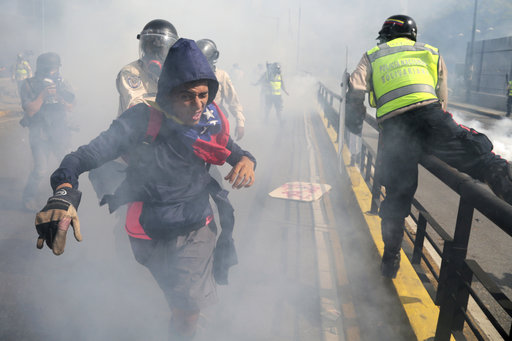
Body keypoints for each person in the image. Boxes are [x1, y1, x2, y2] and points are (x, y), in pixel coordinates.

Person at [33, 39, 256, 340]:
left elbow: (236, 151)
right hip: (145, 231)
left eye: (204, 95)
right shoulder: (142, 119)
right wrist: (63, 192)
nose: (198, 105)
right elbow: (83, 156)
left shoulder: (209, 122)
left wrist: (246, 162)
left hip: (194, 227)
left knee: (187, 310)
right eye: (187, 96)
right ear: (167, 94)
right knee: (169, 296)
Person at [345, 14, 512, 279]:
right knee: (480, 156)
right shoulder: (430, 52)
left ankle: (390, 259)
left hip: (395, 129)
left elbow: (355, 90)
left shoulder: (373, 55)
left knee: (397, 198)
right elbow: (442, 96)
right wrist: (435, 138)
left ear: (386, 34)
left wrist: (353, 125)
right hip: (432, 120)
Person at [89, 19, 179, 200]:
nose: (156, 53)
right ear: (143, 47)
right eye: (151, 46)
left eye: (161, 49)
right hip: (134, 145)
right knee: (128, 201)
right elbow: (138, 106)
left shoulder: (176, 72)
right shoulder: (130, 72)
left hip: (165, 145)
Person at [19, 52, 75, 211]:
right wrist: (43, 95)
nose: (53, 72)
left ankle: (65, 198)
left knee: (67, 167)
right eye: (50, 69)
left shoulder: (62, 83)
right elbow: (30, 110)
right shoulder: (29, 84)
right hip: (40, 133)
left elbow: (71, 107)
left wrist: (59, 95)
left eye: (55, 68)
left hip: (60, 132)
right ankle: (28, 198)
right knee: (40, 170)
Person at [196, 38, 245, 140]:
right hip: (194, 122)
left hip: (215, 123)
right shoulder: (189, 75)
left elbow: (233, 101)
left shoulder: (221, 76)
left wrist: (240, 122)